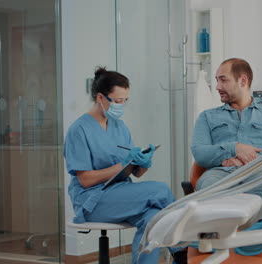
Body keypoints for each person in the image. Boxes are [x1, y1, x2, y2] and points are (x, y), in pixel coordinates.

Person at [64, 67, 186, 264]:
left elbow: (136, 173)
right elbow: (85, 180)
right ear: (100, 98)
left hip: (120, 193)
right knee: (160, 190)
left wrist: (143, 162)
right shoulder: (79, 130)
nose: (122, 105)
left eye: (125, 101)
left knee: (152, 219)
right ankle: (181, 252)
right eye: (118, 101)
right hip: (92, 199)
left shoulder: (120, 127)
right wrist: (121, 164)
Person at [190, 58, 262, 255]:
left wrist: (249, 162)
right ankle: (207, 238)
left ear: (243, 81)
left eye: (223, 80)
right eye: (216, 80)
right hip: (220, 173)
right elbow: (200, 153)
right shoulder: (207, 117)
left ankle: (258, 237)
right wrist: (234, 148)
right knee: (207, 187)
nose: (218, 86)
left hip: (259, 173)